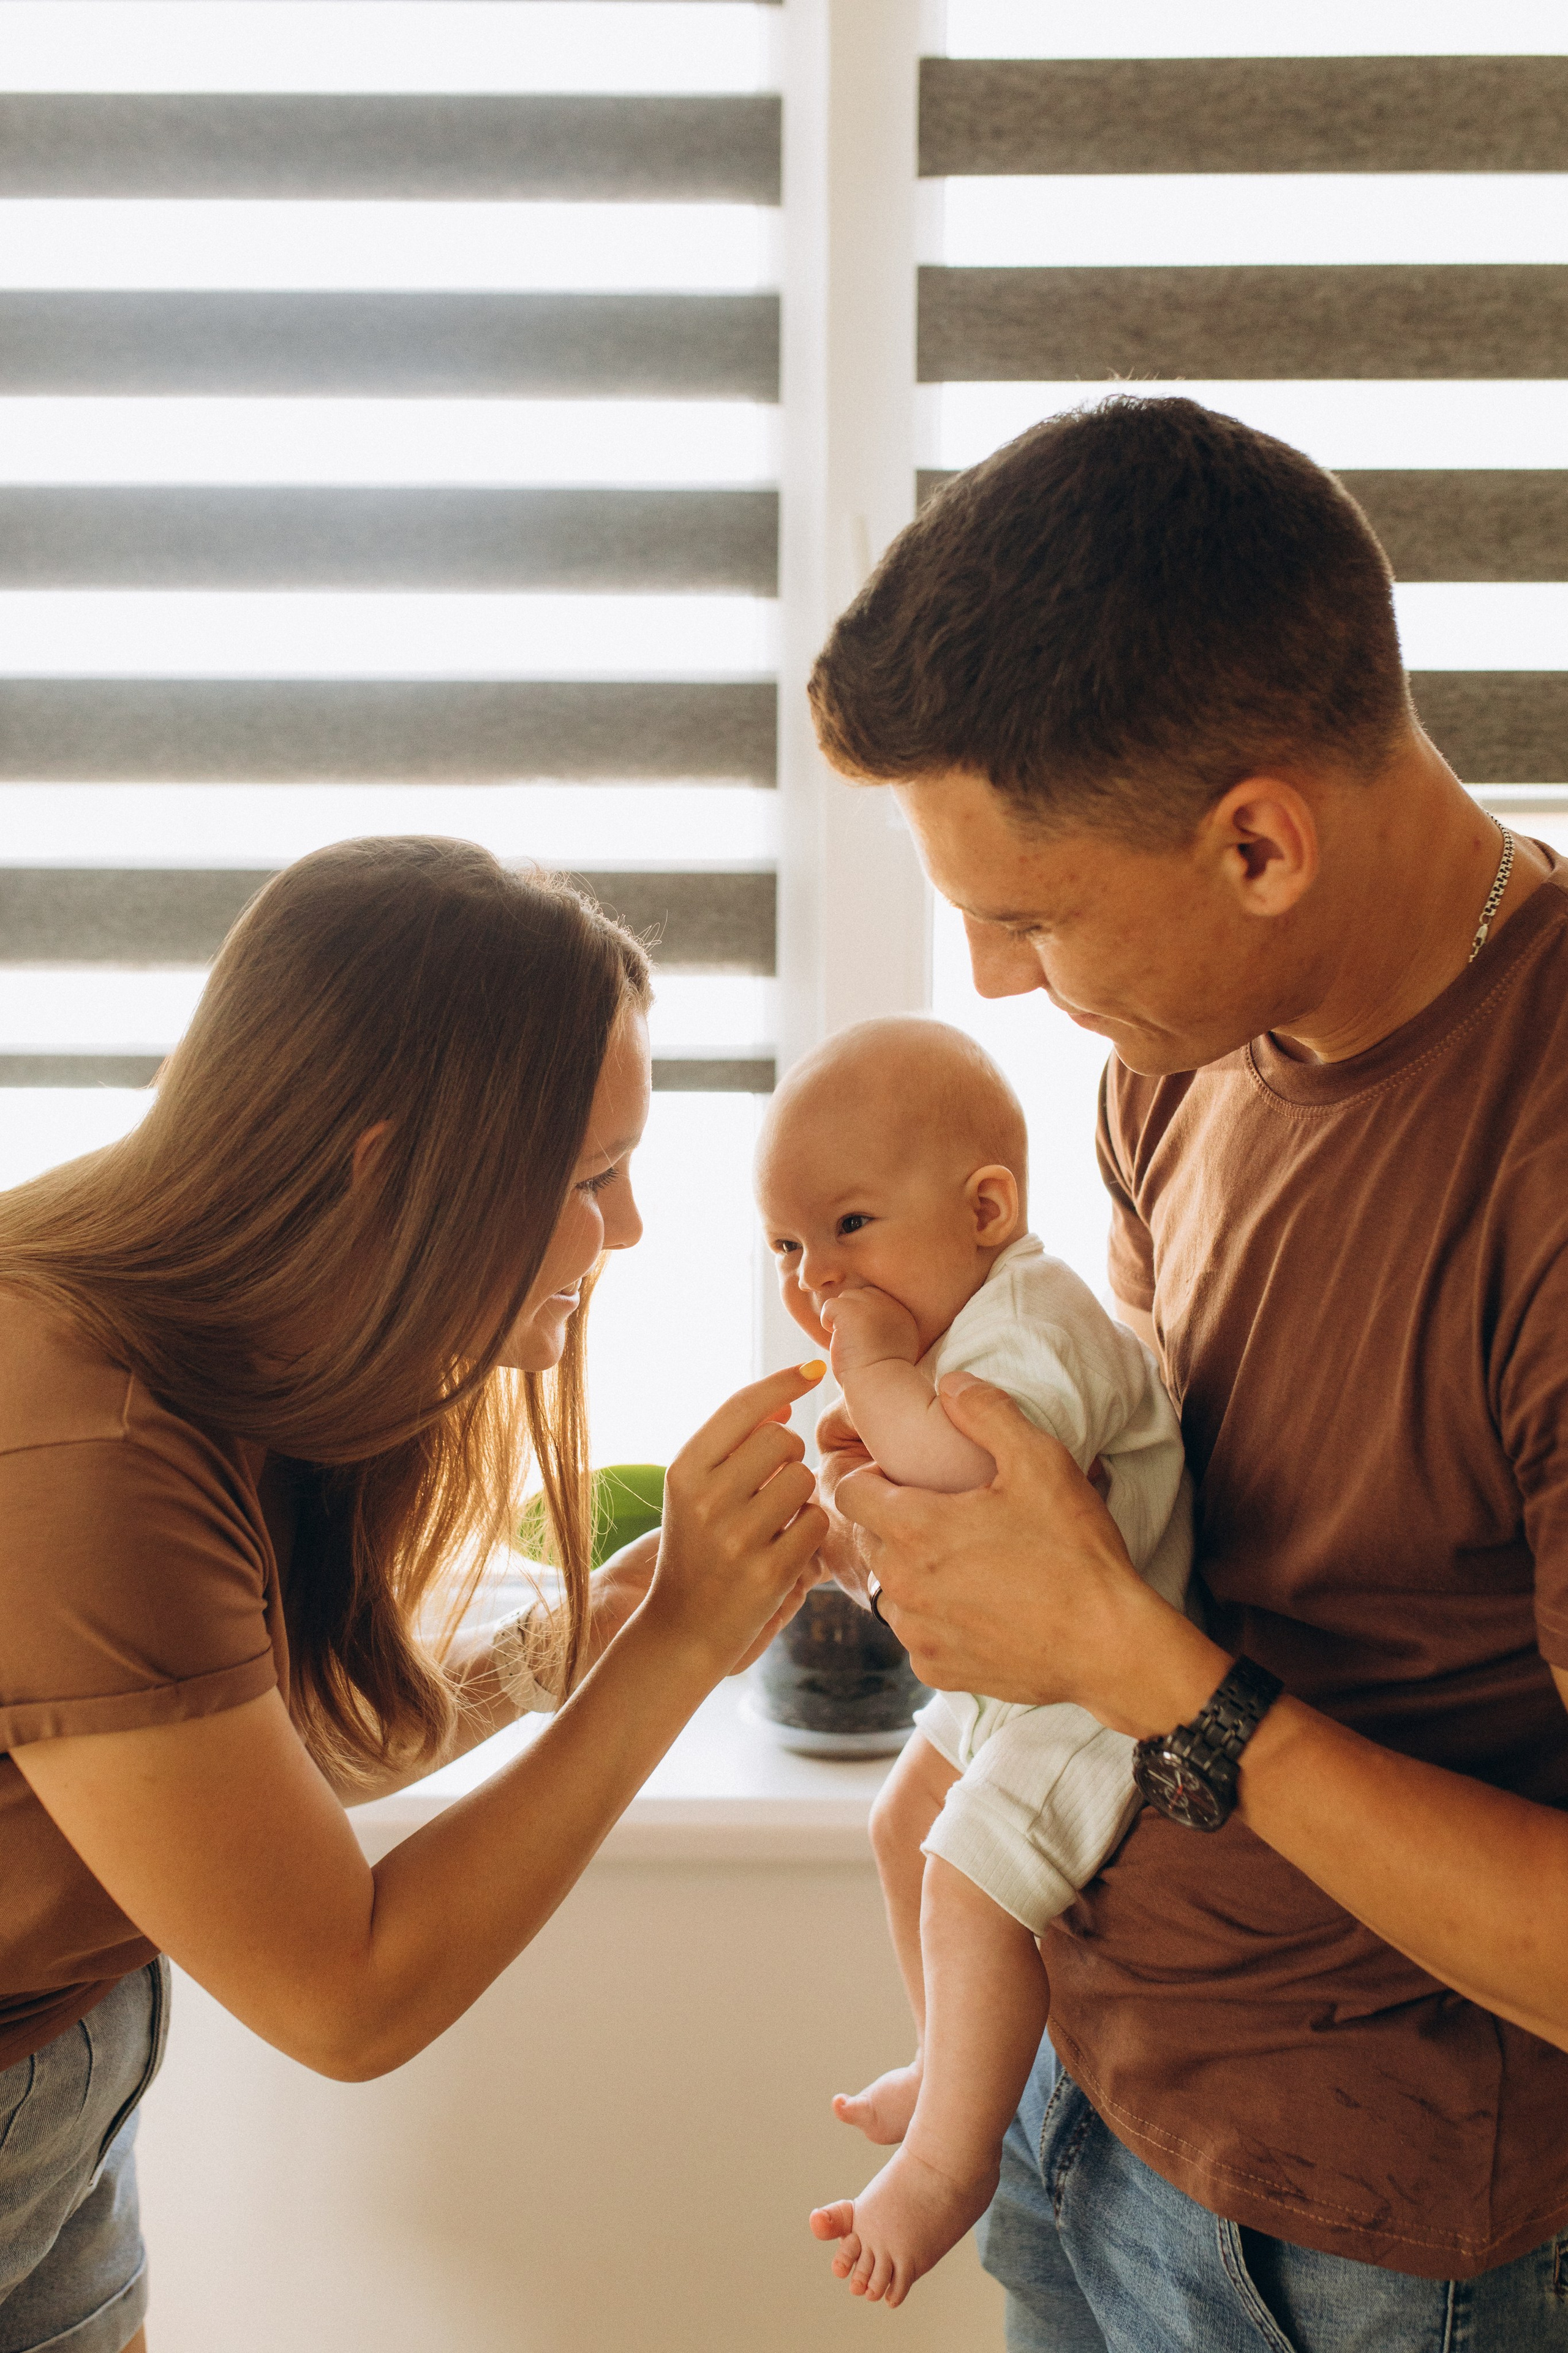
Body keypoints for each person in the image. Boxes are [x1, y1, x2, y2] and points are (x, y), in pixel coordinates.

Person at [802, 397, 1568, 2349]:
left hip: (1376, 2250)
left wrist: (1135, 1667)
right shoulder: (1175, 1056)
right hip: (1083, 2103)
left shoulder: (1544, 1162)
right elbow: (1146, 1528)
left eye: (1028, 913)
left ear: (1258, 841)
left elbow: (1142, 1645)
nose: (985, 976)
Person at [0, 838, 827, 2353]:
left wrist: (594, 1631)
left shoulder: (215, 1330)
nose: (630, 1229)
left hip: (68, 2060)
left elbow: (283, 1756)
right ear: (383, 1169)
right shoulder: (81, 1444)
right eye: (589, 1178)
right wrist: (678, 1650)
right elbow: (348, 1994)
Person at [753, 1014, 1191, 2305]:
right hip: (1020, 1677)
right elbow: (930, 1549)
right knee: (905, 1821)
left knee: (962, 1879)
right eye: (784, 1245)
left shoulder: (1027, 1322)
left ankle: (951, 2160)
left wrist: (876, 1374)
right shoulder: (960, 1333)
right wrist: (835, 1542)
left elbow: (975, 1489)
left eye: (845, 1228)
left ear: (986, 1206)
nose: (812, 1279)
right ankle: (952, 2057)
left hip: (1108, 1694)